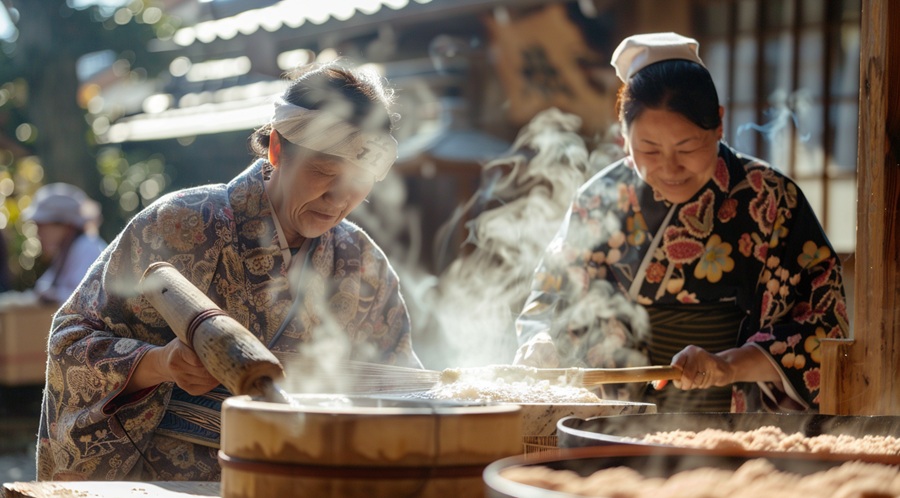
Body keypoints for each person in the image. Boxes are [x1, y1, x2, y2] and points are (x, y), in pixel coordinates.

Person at [37, 61, 422, 481]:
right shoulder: (178, 225)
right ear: (277, 148)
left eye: (358, 182)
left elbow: (402, 382)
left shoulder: (361, 262)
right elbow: (70, 340)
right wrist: (160, 363)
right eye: (325, 173)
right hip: (170, 483)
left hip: (311, 478)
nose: (338, 199)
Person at [513, 32, 848, 414]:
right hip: (625, 421)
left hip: (746, 420)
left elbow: (821, 325)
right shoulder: (599, 199)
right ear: (623, 137)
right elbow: (552, 297)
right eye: (649, 149)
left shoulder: (771, 199)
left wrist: (727, 365)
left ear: (719, 124)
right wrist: (541, 341)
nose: (669, 168)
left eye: (687, 147)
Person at [19, 183, 107, 305]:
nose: (38, 233)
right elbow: (42, 289)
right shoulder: (65, 252)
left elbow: (84, 300)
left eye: (42, 226)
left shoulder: (87, 248)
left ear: (65, 225)